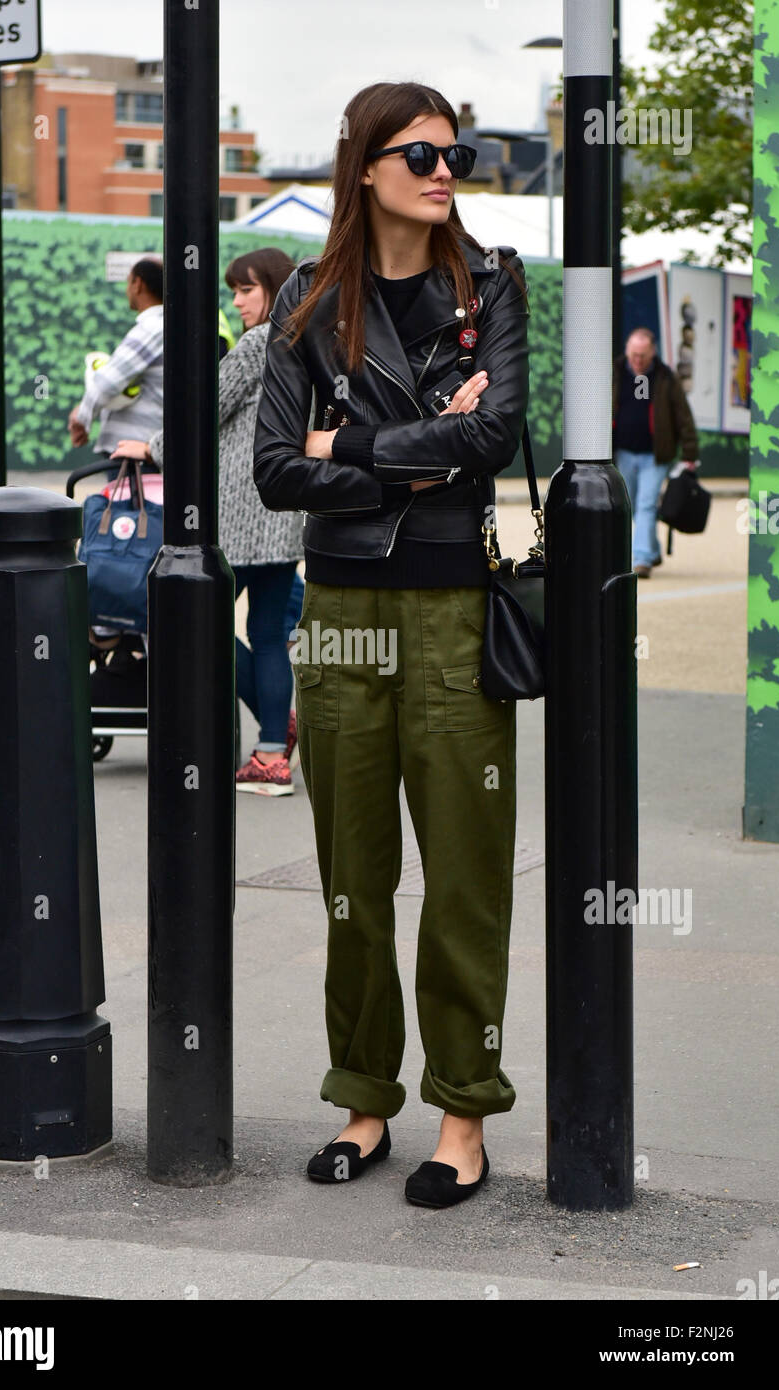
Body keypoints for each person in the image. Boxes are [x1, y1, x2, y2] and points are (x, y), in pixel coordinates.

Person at [252, 81, 530, 1208]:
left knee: (464, 875)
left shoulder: (492, 283)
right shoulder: (310, 304)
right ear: (363, 167)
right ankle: (364, 1100)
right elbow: (276, 470)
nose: (442, 167)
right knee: (350, 880)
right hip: (343, 610)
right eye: (417, 152)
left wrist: (351, 437)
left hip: (456, 607)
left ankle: (462, 1113)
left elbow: (492, 432)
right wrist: (416, 447)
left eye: (452, 150)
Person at [112, 248, 305, 794]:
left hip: (241, 516)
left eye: (246, 289)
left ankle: (264, 733)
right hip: (286, 511)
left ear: (272, 286)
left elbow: (202, 413)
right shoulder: (312, 342)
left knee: (199, 625)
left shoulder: (255, 345)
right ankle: (272, 751)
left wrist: (151, 447)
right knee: (268, 633)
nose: (238, 301)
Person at [67, 258, 164, 481]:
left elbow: (107, 383)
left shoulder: (152, 328)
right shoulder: (165, 325)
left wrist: (81, 417)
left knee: (130, 515)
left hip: (133, 449)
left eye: (128, 282)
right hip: (145, 447)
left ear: (137, 284)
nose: (126, 289)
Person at [612, 327, 698, 577]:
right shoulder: (616, 372)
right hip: (624, 453)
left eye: (643, 356)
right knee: (630, 506)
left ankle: (641, 560)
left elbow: (683, 416)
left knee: (646, 505)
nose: (638, 361)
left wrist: (690, 454)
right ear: (628, 352)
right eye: (634, 355)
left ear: (652, 353)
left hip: (656, 455)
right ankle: (652, 549)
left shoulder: (665, 377)